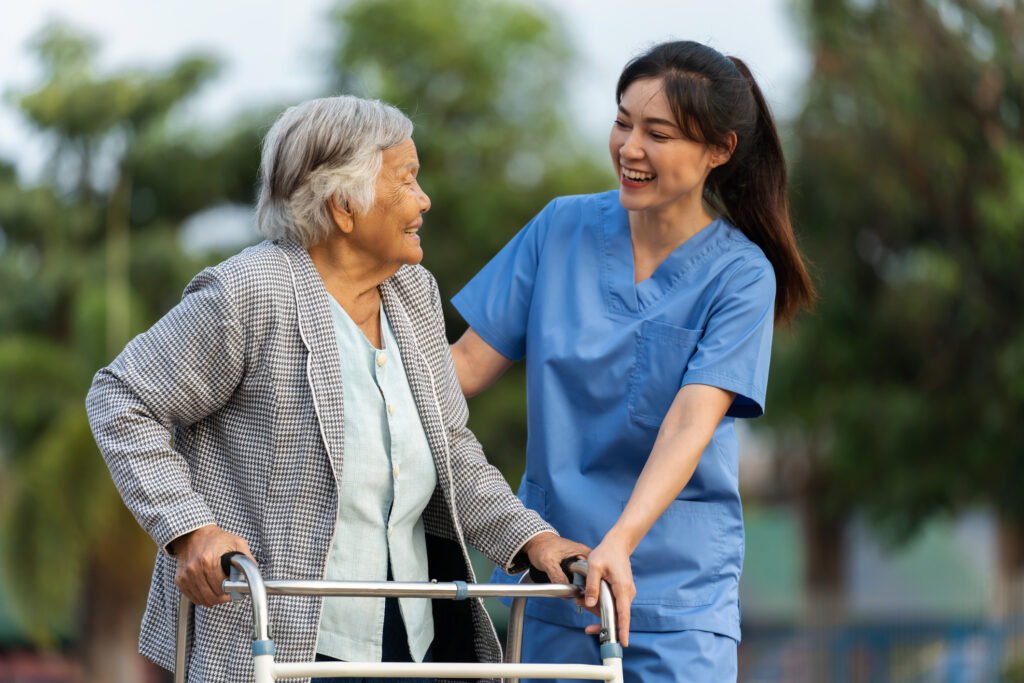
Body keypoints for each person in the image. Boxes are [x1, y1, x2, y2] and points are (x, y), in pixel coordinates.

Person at [86, 95, 589, 683]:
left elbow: (451, 450)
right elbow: (121, 398)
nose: (424, 200)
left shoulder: (413, 294)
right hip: (283, 635)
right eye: (407, 181)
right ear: (344, 206)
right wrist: (189, 528)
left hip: (414, 636)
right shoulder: (251, 291)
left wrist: (533, 539)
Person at [449, 41, 816, 681]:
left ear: (719, 151)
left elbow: (689, 424)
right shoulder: (558, 229)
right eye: (623, 122)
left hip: (677, 599)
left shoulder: (740, 276)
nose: (630, 148)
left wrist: (620, 542)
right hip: (554, 580)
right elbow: (462, 369)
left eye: (658, 133)